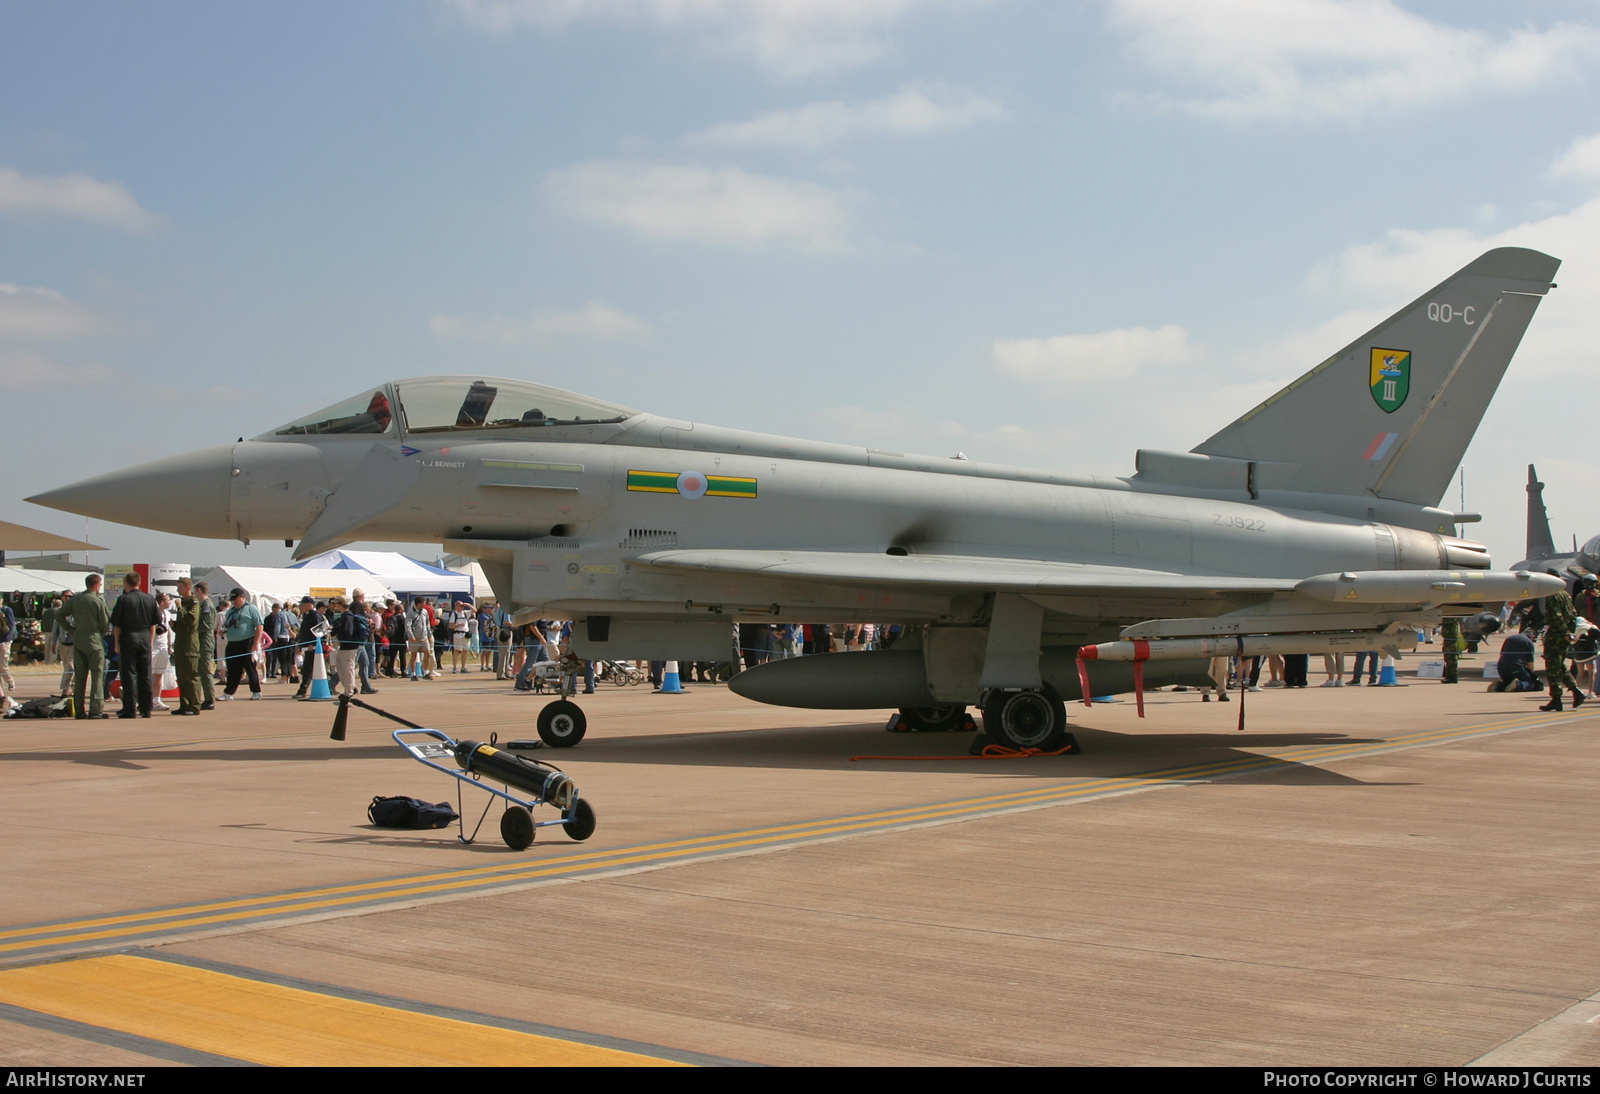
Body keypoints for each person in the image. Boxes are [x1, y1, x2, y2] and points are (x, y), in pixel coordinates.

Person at [109, 571, 159, 718]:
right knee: (145, 674)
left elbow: (116, 624)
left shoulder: (123, 600)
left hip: (128, 637)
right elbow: (154, 622)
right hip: (144, 637)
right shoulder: (150, 599)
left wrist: (116, 643)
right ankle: (146, 707)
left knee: (128, 674)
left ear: (126, 584)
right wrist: (149, 641)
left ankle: (130, 708)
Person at [68, 573, 112, 719]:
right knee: (97, 675)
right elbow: (105, 624)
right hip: (94, 639)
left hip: (79, 639)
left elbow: (60, 615)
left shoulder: (76, 599)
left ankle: (79, 709)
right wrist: (100, 632)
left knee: (80, 676)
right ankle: (95, 709)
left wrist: (72, 630)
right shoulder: (98, 601)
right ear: (96, 585)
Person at [1540, 589, 1587, 712]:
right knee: (1559, 665)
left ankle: (1556, 699)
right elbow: (1574, 614)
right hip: (1564, 634)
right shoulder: (1565, 594)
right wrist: (1570, 632)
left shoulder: (1552, 594)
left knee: (1553, 667)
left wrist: (1565, 632)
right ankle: (1576, 691)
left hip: (1556, 634)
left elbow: (1556, 615)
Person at [219, 588, 264, 700]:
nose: (234, 602)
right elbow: (227, 624)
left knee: (250, 667)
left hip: (247, 642)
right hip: (232, 643)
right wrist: (222, 630)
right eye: (233, 599)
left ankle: (256, 691)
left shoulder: (251, 609)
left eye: (236, 599)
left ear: (242, 597)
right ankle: (229, 693)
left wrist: (256, 643)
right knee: (233, 668)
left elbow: (259, 626)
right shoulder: (231, 610)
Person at [172, 576, 203, 715]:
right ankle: (184, 704)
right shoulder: (185, 602)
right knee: (182, 676)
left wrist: (180, 609)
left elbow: (191, 621)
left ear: (188, 588)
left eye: (180, 587)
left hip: (190, 645)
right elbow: (183, 625)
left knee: (191, 676)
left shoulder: (193, 602)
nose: (178, 590)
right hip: (181, 643)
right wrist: (174, 626)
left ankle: (195, 705)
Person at [194, 581, 218, 710]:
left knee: (205, 669)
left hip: (206, 640)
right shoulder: (202, 605)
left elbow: (208, 625)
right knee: (200, 670)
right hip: (201, 640)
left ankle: (209, 699)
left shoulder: (207, 606)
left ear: (199, 590)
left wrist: (193, 628)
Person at [150, 591, 174, 711]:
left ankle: (157, 699)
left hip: (163, 647)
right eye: (168, 600)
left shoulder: (168, 614)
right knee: (149, 674)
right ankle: (146, 698)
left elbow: (168, 629)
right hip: (153, 646)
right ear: (162, 601)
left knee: (159, 674)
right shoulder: (153, 613)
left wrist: (170, 645)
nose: (170, 602)